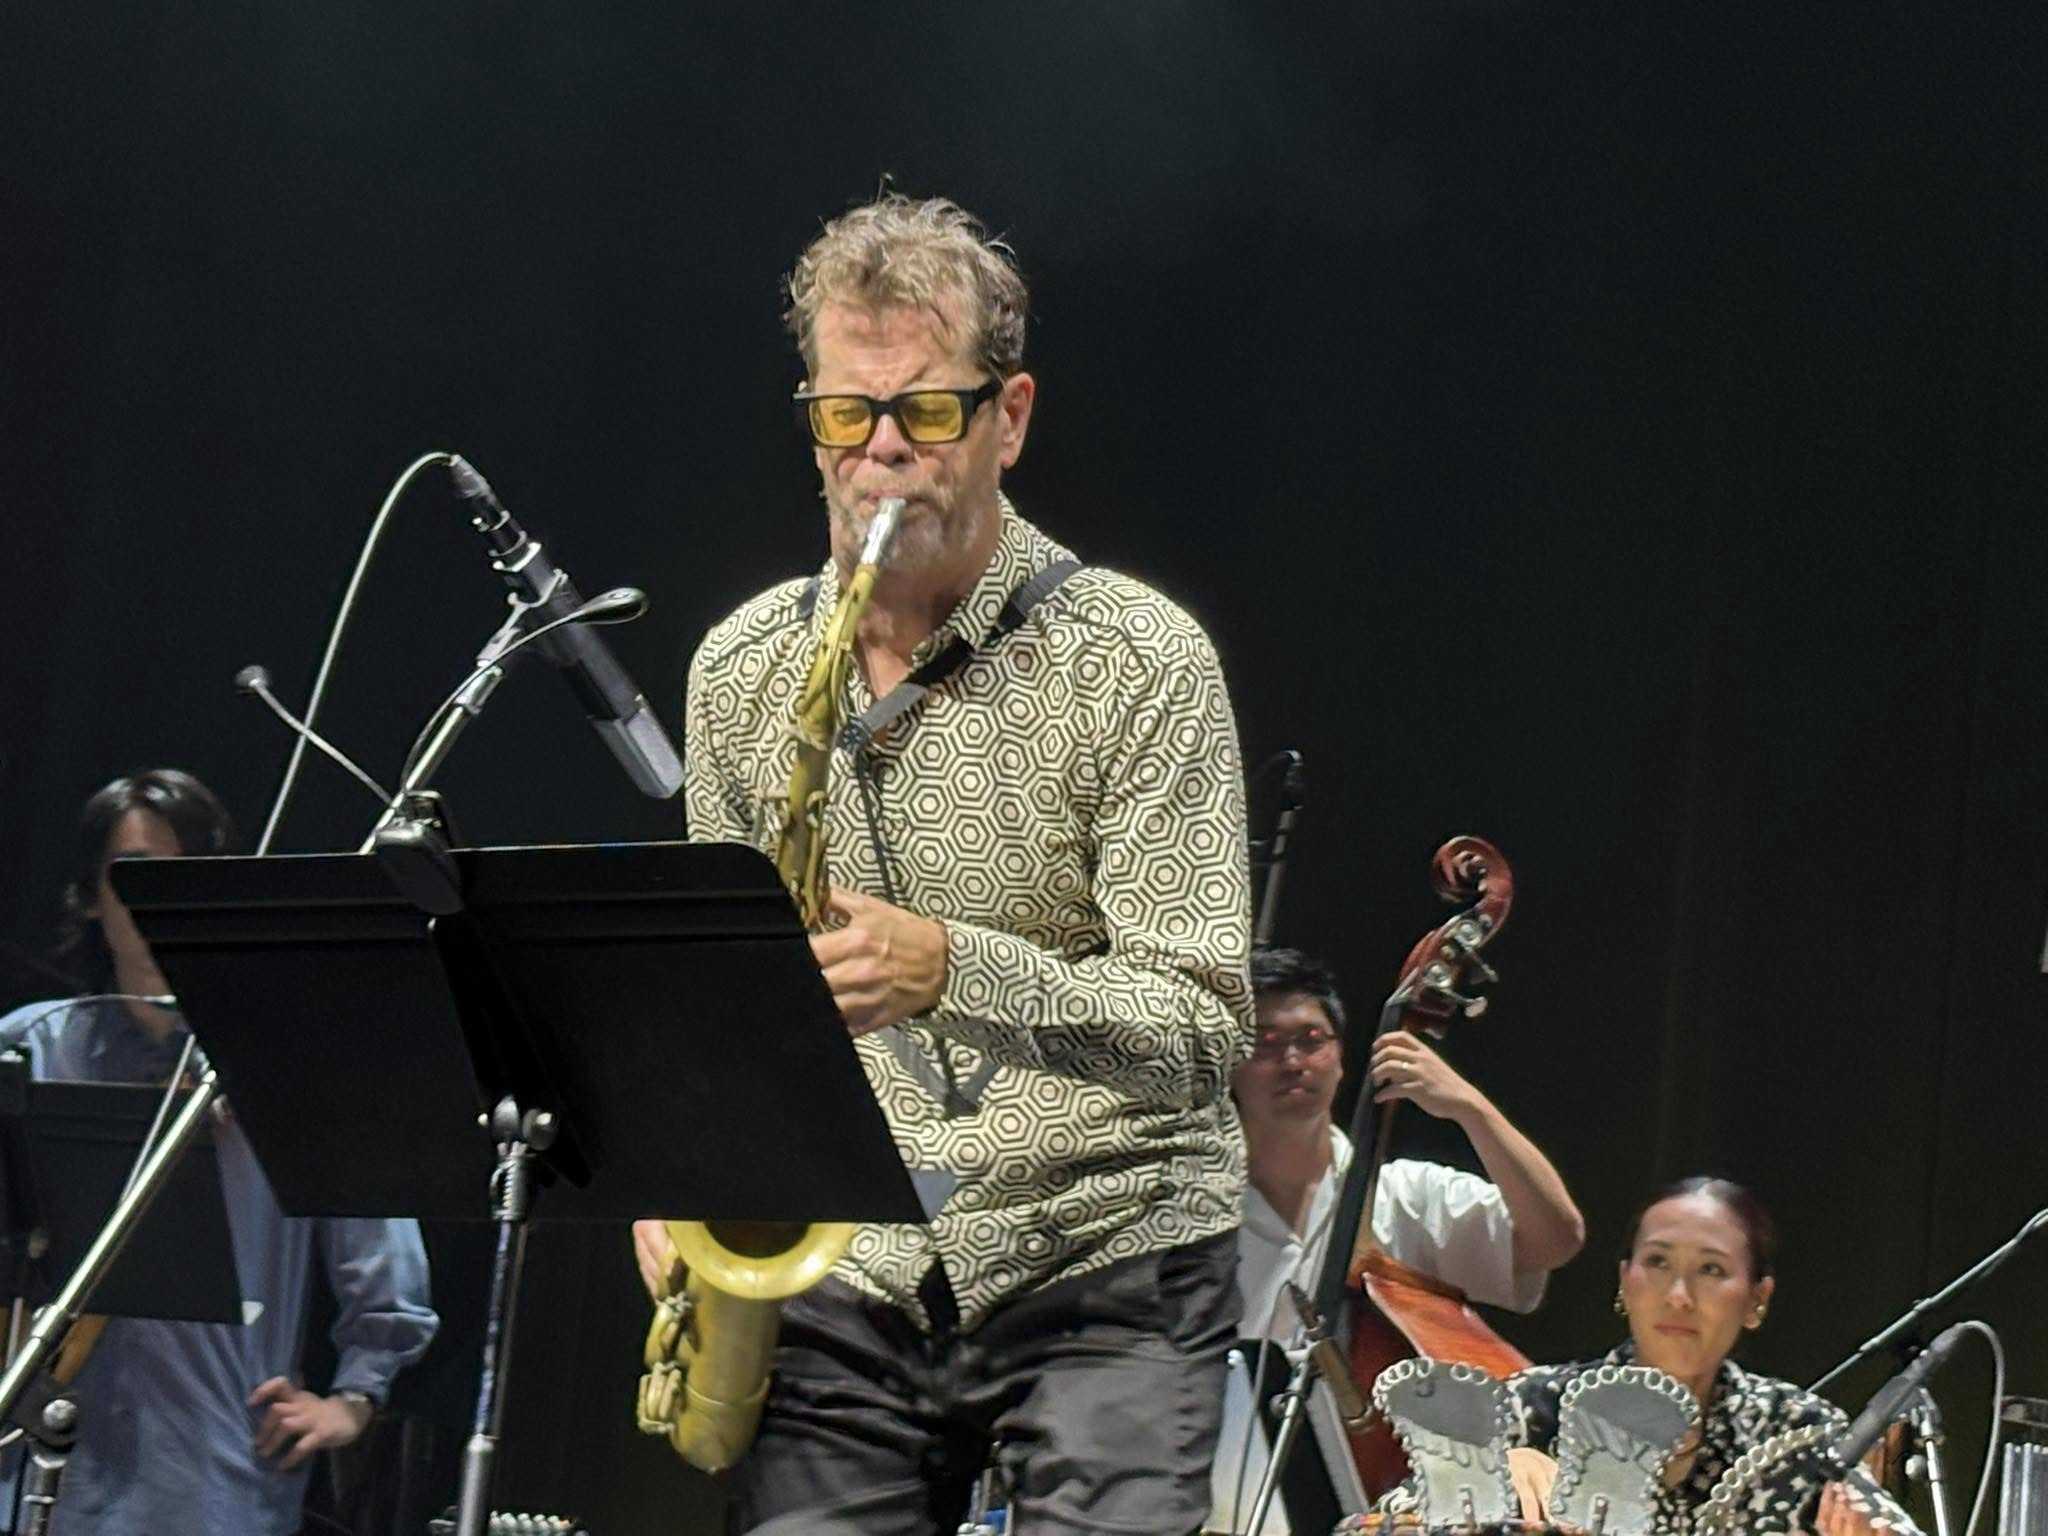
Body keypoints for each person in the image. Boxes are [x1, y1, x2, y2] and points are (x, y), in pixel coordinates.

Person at [633, 193, 1254, 1535]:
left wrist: (952, 970)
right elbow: (727, 1007)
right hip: (848, 1266)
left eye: (924, 412)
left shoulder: (1139, 659)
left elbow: (1203, 1030)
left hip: (1105, 1246)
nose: (880, 454)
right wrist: (688, 1164)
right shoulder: (742, 669)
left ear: (1008, 417)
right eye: (844, 415)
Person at [0, 769, 440, 1536]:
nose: (154, 900)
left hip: (211, 1474)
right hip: (39, 1467)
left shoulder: (287, 1061)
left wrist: (353, 1399)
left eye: (184, 875)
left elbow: (383, 1260)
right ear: (92, 895)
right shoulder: (31, 1045)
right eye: (133, 873)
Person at [1213, 946, 1585, 1531]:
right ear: (1232, 1066)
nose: (1292, 1060)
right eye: (1265, 1043)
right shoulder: (1205, 1219)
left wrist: (1468, 1107)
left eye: (1312, 1039)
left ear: (1342, 1058)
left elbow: (1556, 1239)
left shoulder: (1407, 1195)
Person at [1501, 1177, 1918, 1536]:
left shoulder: (1800, 1433)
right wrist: (1493, 1470)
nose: (1679, 1296)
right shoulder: (1533, 1408)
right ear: (1625, 1281)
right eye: (1658, 1262)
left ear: (1757, 1299)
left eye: (1711, 1270)